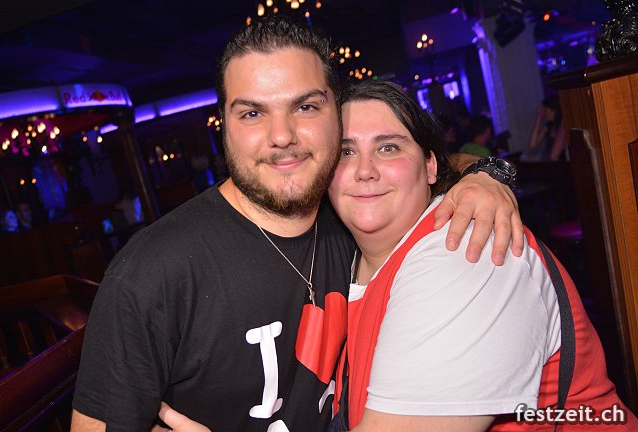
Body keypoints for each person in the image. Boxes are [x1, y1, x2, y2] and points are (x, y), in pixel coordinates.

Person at [71, 16, 522, 432]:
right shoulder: (152, 272)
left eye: (305, 107)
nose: (282, 135)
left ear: (336, 117)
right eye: (252, 113)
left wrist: (486, 175)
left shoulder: (352, 215)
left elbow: (420, 165)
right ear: (224, 127)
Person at [325, 80, 636, 431]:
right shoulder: (341, 253)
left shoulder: (466, 248)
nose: (365, 170)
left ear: (430, 165)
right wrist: (481, 170)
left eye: (388, 148)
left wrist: (486, 172)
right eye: (345, 151)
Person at [525, 95, 567, 162]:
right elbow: (532, 145)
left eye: (545, 109)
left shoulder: (563, 125)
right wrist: (538, 118)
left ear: (553, 110)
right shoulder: (549, 125)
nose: (544, 112)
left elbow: (554, 155)